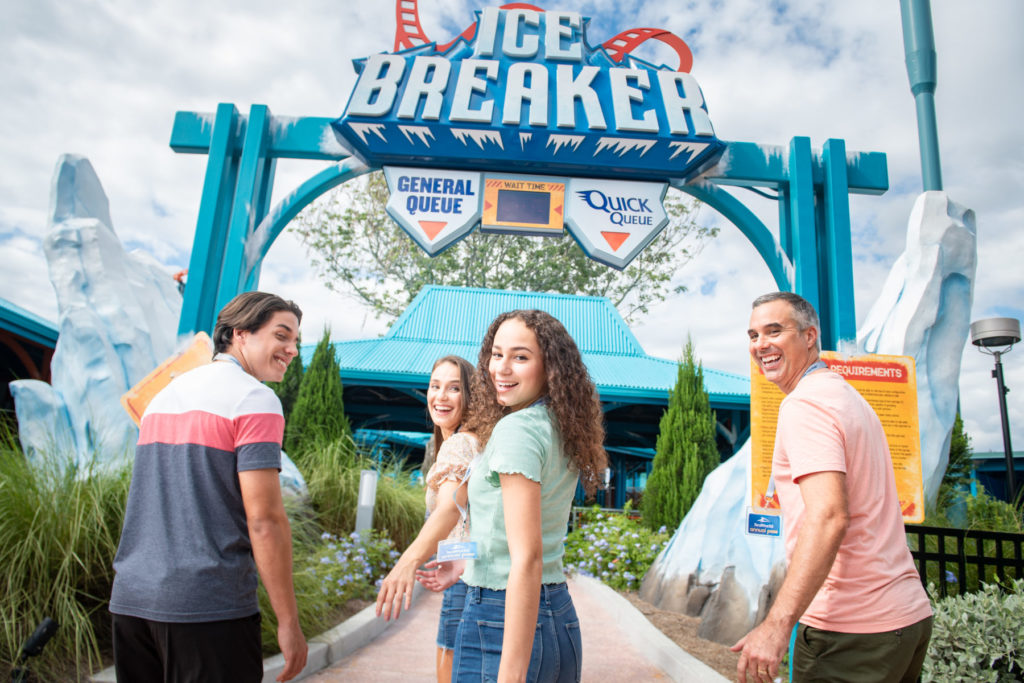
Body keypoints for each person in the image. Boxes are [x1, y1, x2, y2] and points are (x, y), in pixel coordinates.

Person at [733, 292, 933, 683]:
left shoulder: (805, 405)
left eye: (775, 331)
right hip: (905, 620)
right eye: (754, 335)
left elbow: (828, 517)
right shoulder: (846, 396)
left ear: (810, 336)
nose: (761, 345)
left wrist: (777, 626)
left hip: (852, 631)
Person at [110, 291, 308, 682]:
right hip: (206, 607)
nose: (292, 349)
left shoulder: (163, 398)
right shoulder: (256, 400)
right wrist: (289, 623)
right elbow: (265, 520)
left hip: (131, 601)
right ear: (240, 334)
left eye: (296, 341)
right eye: (282, 335)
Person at [451, 310, 607, 683]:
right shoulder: (557, 424)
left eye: (520, 357)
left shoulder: (517, 430)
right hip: (556, 615)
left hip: (503, 616)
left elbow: (526, 556)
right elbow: (503, 534)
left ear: (549, 367)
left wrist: (511, 672)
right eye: (497, 354)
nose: (501, 368)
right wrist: (460, 558)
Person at [375, 355, 480, 683]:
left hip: (468, 585)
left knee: (451, 673)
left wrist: (407, 561)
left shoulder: (462, 442)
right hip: (466, 573)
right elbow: (470, 529)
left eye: (454, 388)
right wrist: (453, 559)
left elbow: (450, 510)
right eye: (435, 387)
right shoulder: (459, 442)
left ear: (472, 397)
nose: (440, 396)